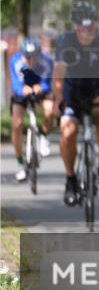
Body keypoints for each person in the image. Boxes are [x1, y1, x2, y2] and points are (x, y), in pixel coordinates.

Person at [53, 1, 99, 206]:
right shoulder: (66, 41)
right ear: (75, 27)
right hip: (72, 89)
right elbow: (58, 75)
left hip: (97, 87)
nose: (87, 32)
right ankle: (70, 180)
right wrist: (58, 98)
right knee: (67, 131)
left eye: (91, 27)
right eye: (83, 28)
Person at [9, 38, 56, 182]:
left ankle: (43, 136)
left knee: (50, 111)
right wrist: (23, 89)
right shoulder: (15, 62)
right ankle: (19, 162)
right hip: (22, 93)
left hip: (40, 90)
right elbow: (16, 83)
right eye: (27, 57)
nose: (30, 60)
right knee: (17, 124)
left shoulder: (47, 61)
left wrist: (41, 87)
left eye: (33, 57)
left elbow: (48, 82)